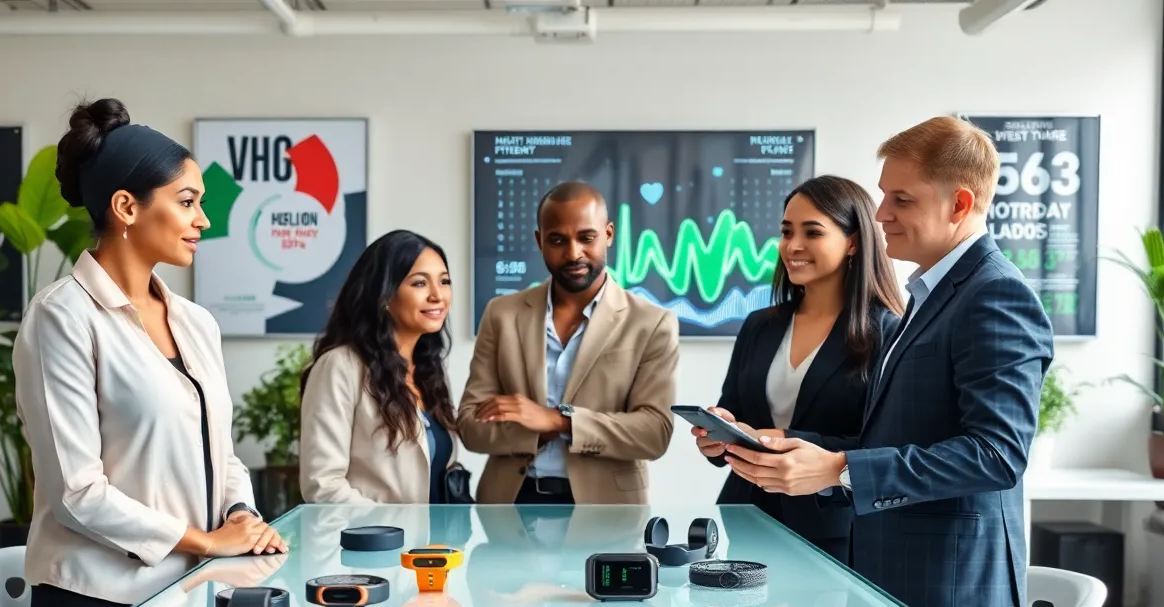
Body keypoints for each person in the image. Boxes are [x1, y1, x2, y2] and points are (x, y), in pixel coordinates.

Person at [723, 116, 1055, 607]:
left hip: (947, 590)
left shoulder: (994, 295)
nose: (881, 215)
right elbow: (895, 430)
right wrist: (805, 450)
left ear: (959, 203)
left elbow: (998, 455)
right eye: (883, 197)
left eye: (900, 199)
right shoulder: (931, 293)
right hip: (895, 574)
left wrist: (839, 469)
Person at [14, 98, 285, 607]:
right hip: (98, 602)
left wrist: (241, 516)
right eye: (187, 202)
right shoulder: (61, 318)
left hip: (192, 587)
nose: (202, 221)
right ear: (126, 207)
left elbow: (222, 452)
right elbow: (75, 493)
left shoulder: (196, 322)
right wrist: (206, 542)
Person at [693, 176, 904, 563]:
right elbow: (734, 412)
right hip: (747, 521)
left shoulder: (887, 331)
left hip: (834, 534)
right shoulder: (760, 325)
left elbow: (885, 447)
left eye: (813, 232)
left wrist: (780, 438)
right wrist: (719, 436)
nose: (793, 246)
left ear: (853, 241)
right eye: (787, 231)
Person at [458, 181, 679, 505]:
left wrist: (557, 421)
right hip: (509, 508)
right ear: (540, 241)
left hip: (607, 513)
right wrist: (536, 430)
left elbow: (654, 433)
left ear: (609, 234)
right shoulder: (501, 314)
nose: (573, 252)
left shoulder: (651, 323)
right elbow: (469, 425)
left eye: (586, 238)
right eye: (558, 240)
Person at [299, 229, 459, 504]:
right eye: (420, 283)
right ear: (385, 295)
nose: (437, 295)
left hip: (436, 546)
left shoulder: (429, 369)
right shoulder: (340, 366)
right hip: (377, 544)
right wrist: (392, 531)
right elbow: (322, 485)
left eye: (444, 282)